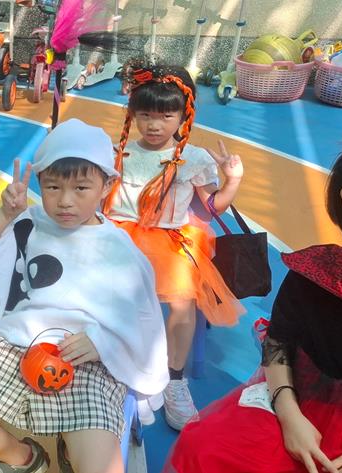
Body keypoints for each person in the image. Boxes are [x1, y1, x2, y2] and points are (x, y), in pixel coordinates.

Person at [166, 108, 342, 473]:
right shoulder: (316, 272)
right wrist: (290, 417)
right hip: (298, 406)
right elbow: (279, 343)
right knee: (204, 450)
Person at [0, 119, 168, 473]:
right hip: (16, 347)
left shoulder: (118, 247)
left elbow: (140, 318)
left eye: (81, 188)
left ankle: (69, 443)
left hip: (86, 360)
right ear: (39, 182)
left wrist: (103, 343)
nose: (65, 201)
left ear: (107, 186)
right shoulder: (28, 222)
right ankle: (25, 457)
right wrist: (5, 214)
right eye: (52, 187)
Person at [104, 64, 245, 429]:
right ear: (133, 114)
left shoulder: (192, 158)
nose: (154, 125)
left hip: (168, 239)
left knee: (183, 303)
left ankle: (174, 378)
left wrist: (232, 181)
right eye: (145, 115)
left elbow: (211, 207)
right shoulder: (118, 152)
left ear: (184, 116)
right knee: (107, 296)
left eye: (166, 116)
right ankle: (119, 365)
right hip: (117, 236)